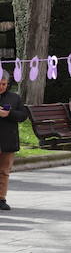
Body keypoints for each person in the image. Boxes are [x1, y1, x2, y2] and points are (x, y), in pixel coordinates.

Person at [0, 71, 26, 211]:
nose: (2, 87)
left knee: (4, 171)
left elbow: (23, 115)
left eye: (4, 84)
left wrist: (9, 114)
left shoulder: (14, 98)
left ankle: (1, 198)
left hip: (8, 140)